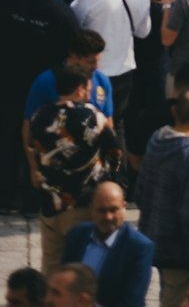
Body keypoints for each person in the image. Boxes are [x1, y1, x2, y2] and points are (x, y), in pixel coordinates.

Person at [0, 0, 79, 214]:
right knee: (42, 138)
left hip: (9, 81)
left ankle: (6, 195)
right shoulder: (62, 13)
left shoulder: (7, 1)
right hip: (46, 85)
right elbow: (73, 51)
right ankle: (37, 197)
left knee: (8, 139)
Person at [28, 64, 119, 275]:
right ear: (79, 88)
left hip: (50, 203)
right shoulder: (92, 116)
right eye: (87, 88)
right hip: (82, 204)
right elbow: (114, 149)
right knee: (81, 269)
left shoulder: (40, 116)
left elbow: (33, 146)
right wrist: (109, 176)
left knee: (51, 267)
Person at [136, 90, 189, 307]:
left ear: (173, 111)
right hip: (181, 254)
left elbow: (140, 191)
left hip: (158, 243)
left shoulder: (156, 140)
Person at [71, 0, 152, 125]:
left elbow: (74, 24)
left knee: (89, 126)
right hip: (124, 70)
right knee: (117, 125)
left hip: (94, 72)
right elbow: (143, 32)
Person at [61, 182, 154, 307]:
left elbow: (132, 302)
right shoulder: (77, 236)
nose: (108, 217)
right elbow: (63, 282)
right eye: (102, 210)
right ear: (91, 210)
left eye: (113, 210)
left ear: (124, 207)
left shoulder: (139, 247)